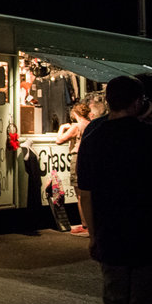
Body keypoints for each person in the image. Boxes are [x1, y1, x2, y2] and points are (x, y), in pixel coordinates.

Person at [78, 76, 152, 304]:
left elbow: (86, 194)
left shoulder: (93, 136)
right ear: (138, 101)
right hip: (150, 236)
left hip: (110, 236)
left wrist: (93, 235)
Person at [56, 101, 91, 235]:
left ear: (75, 113)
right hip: (88, 158)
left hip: (78, 159)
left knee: (80, 194)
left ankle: (85, 224)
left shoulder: (76, 126)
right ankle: (91, 222)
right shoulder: (90, 124)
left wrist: (62, 128)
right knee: (88, 192)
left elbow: (59, 140)